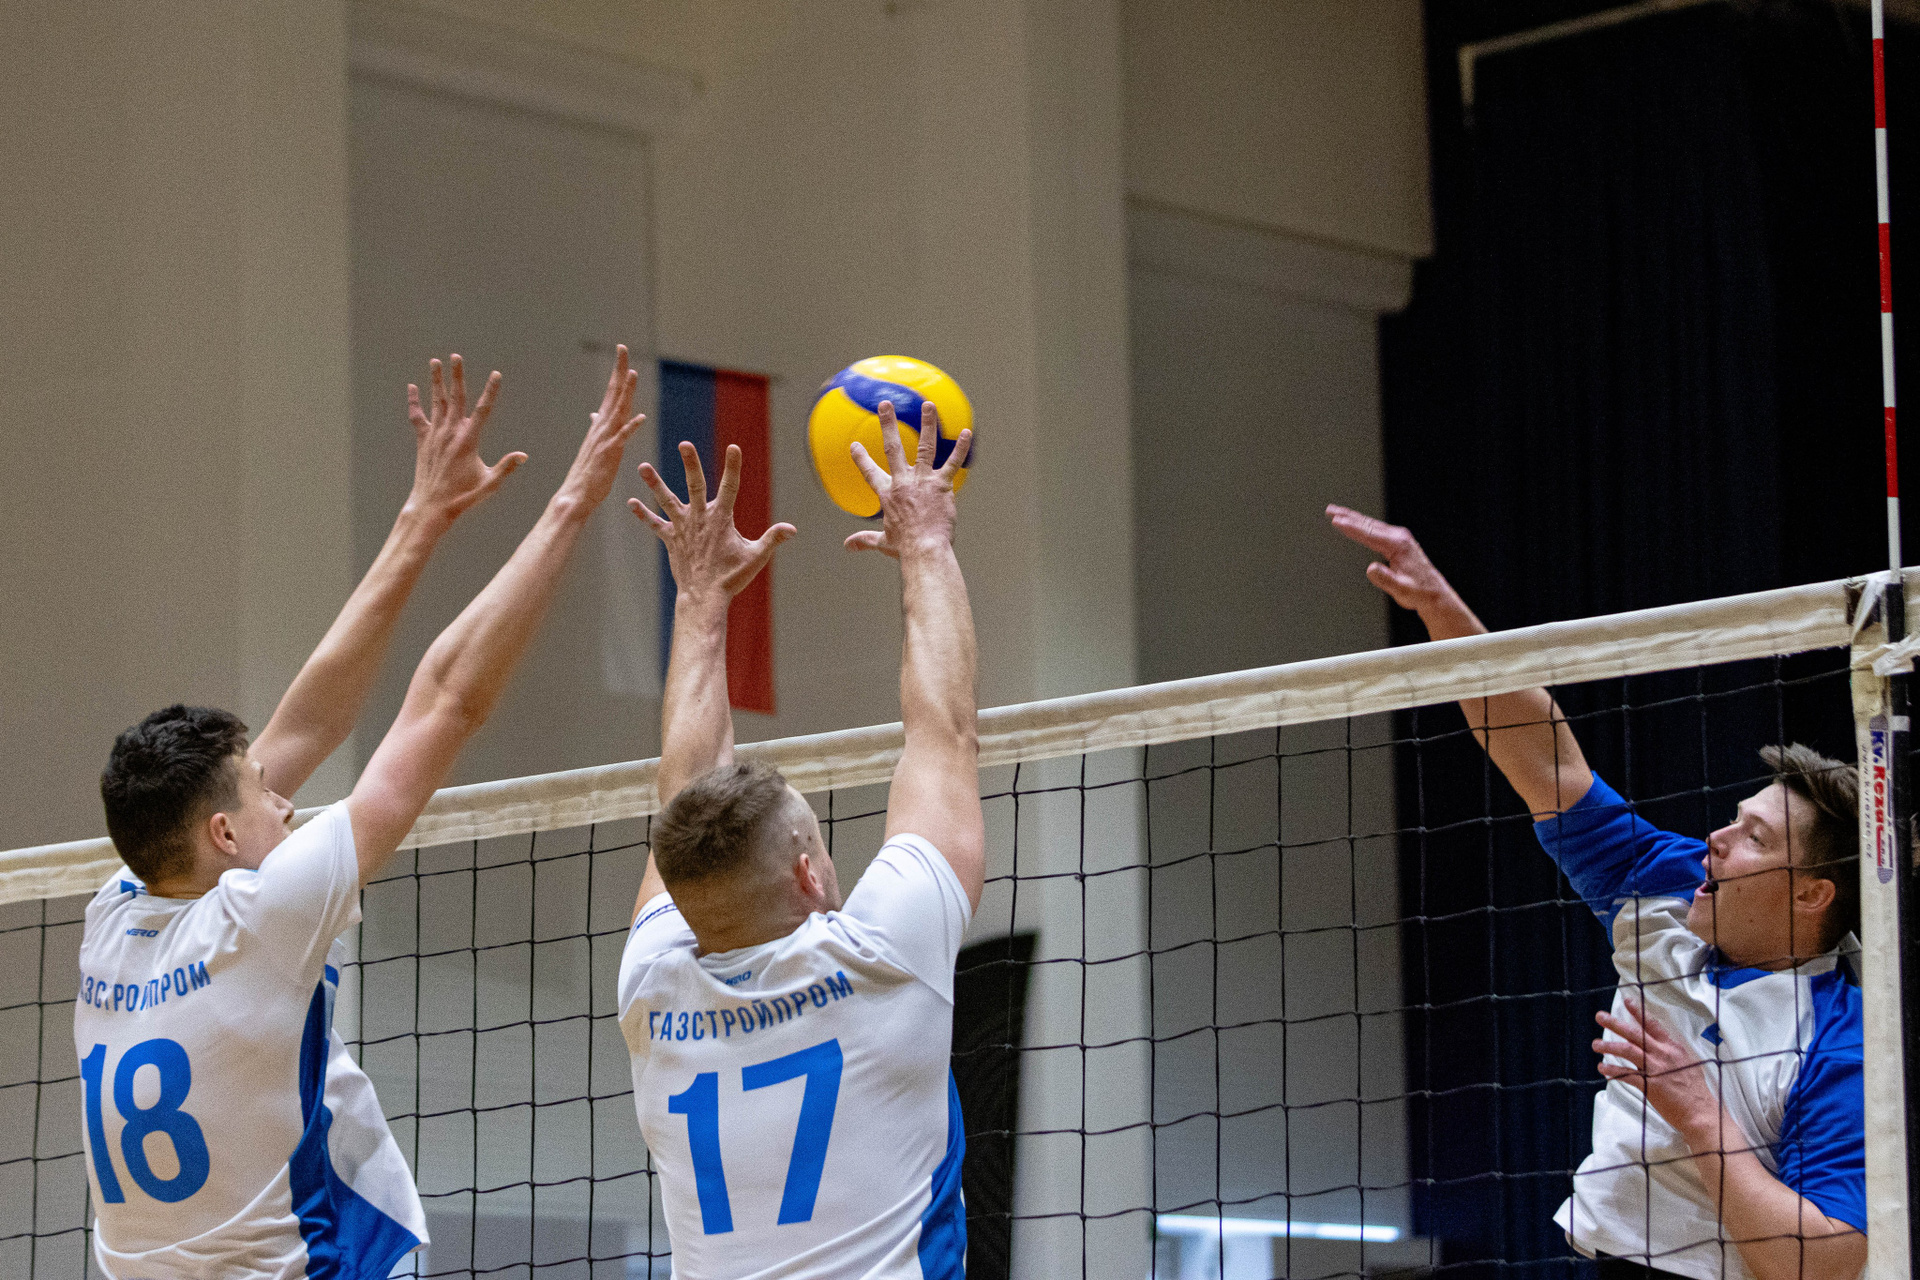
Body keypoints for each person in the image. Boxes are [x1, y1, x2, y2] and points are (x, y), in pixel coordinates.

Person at [77, 349, 644, 1279]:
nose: (286, 799)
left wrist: (423, 517)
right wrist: (573, 504)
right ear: (222, 835)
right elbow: (448, 702)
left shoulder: (115, 912)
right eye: (263, 794)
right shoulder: (261, 917)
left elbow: (311, 721)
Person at [1327, 505, 1866, 1280]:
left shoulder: (1840, 1039)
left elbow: (1822, 1263)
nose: (1717, 838)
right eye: (1735, 818)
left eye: (1754, 837)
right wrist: (1439, 604)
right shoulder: (1670, 882)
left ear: (1812, 895)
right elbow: (1546, 762)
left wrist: (1696, 1110)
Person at [618, 401, 981, 1279]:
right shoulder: (882, 957)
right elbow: (944, 734)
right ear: (811, 874)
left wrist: (699, 601)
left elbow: (684, 796)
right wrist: (926, 543)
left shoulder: (652, 991)